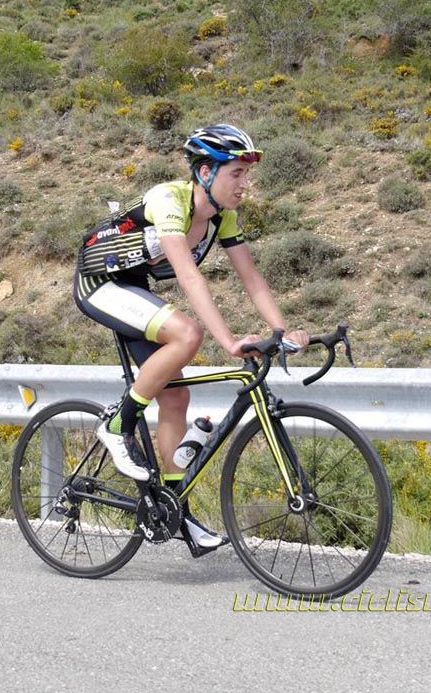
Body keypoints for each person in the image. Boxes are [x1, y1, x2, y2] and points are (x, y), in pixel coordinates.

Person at [73, 123, 308, 548]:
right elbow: (189, 277)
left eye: (245, 174)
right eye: (235, 173)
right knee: (188, 334)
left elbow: (251, 278)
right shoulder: (169, 201)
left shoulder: (222, 217)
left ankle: (173, 512)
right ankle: (116, 424)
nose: (244, 184)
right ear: (205, 174)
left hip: (134, 289)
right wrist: (229, 341)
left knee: (176, 396)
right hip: (100, 285)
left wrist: (281, 330)